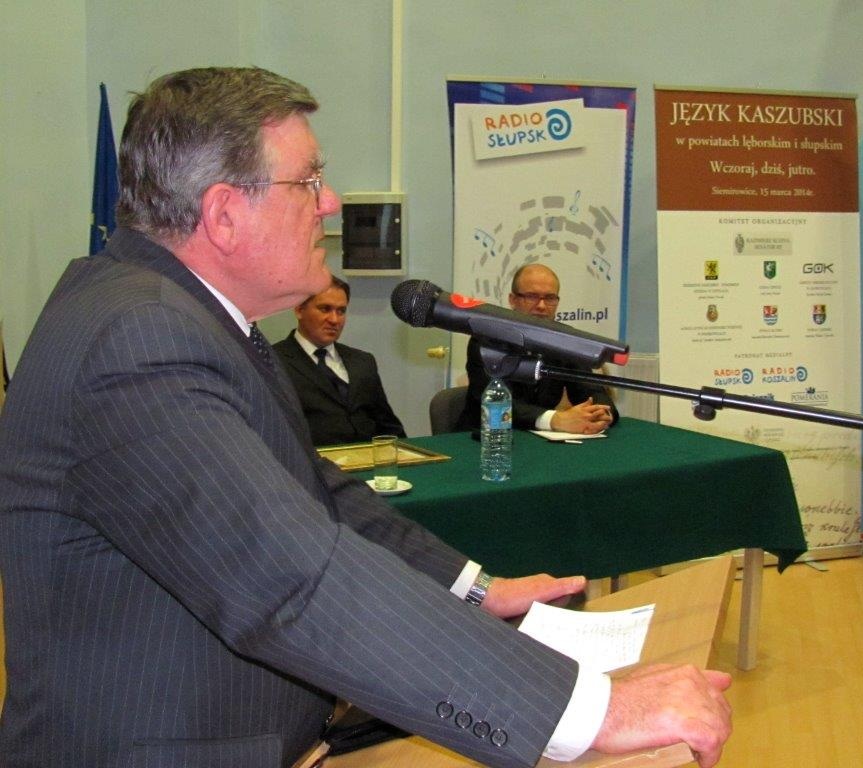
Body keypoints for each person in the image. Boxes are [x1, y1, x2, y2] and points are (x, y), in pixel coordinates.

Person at [0, 67, 731, 768]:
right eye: (308, 180)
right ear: (223, 214)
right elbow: (289, 576)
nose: (330, 203)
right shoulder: (138, 340)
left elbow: (315, 490)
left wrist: (476, 589)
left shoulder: (186, 320)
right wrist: (594, 712)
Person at [456, 263, 619, 434]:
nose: (541, 305)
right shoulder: (487, 339)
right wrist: (555, 419)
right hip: (485, 437)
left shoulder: (563, 339)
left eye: (550, 298)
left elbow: (590, 390)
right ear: (513, 300)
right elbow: (497, 404)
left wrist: (600, 413)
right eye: (532, 296)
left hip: (539, 439)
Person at [274, 275, 406, 445]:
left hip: (369, 456)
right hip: (313, 459)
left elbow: (388, 427)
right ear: (299, 310)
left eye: (341, 311)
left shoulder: (363, 362)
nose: (334, 320)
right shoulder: (274, 362)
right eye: (325, 309)